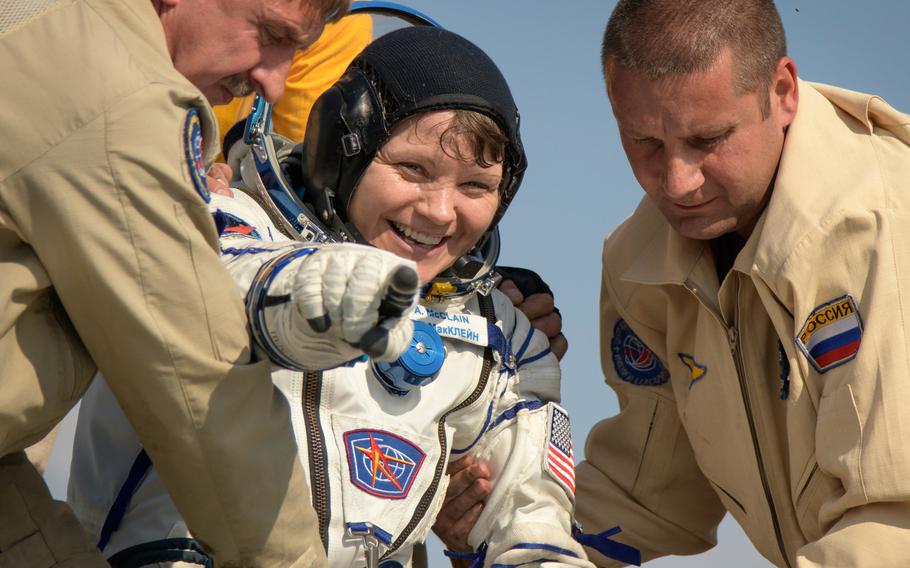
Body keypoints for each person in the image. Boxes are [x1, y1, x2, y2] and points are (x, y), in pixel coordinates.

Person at [68, 26, 612, 568]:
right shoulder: (221, 224)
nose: (440, 211)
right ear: (339, 150)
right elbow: (229, 292)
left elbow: (533, 525)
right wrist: (340, 296)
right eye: (412, 169)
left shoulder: (499, 336)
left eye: (475, 186)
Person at [0, 0, 426, 565]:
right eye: (271, 35)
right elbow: (195, 378)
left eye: (296, 53)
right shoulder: (117, 98)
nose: (273, 85)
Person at [570, 0, 910, 566]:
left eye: (707, 139)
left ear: (782, 92)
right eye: (644, 143)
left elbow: (895, 527)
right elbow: (649, 498)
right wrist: (507, 536)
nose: (678, 182)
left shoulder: (885, 225)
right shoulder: (639, 260)